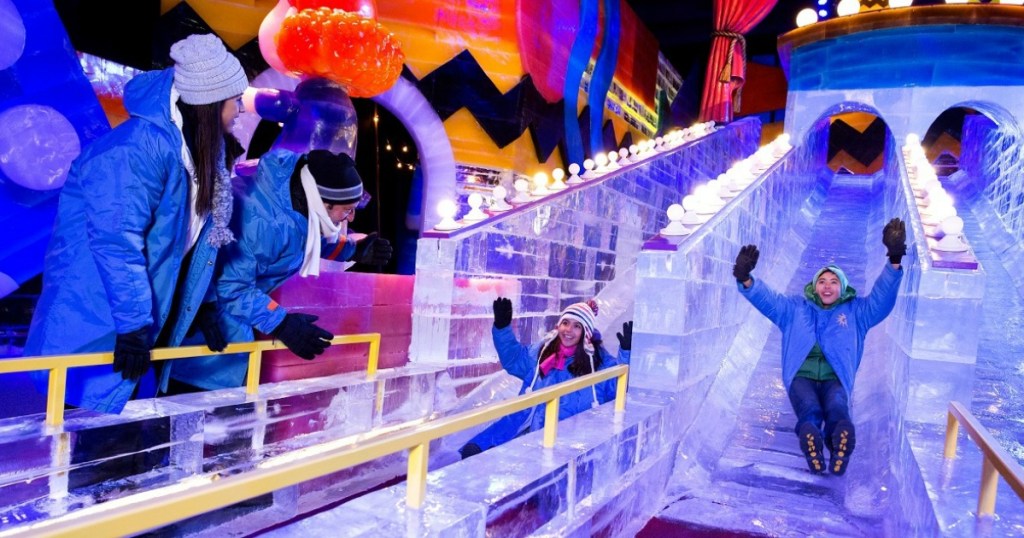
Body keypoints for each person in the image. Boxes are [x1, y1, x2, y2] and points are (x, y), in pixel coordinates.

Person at [23, 34, 249, 414]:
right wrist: (131, 327)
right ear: (209, 103)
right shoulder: (134, 149)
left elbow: (191, 247)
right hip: (97, 318)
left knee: (120, 440)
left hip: (137, 321)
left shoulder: (199, 158)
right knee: (89, 437)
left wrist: (205, 304)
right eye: (235, 99)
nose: (241, 109)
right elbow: (116, 243)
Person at [161, 148, 393, 393]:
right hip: (206, 309)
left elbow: (307, 235)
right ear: (323, 203)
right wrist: (282, 323)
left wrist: (353, 250)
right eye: (347, 210)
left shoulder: (297, 196)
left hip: (226, 304)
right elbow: (233, 288)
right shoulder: (262, 223)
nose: (352, 217)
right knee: (204, 389)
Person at [732, 218, 906, 475]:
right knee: (809, 408)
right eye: (822, 281)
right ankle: (811, 440)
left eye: (834, 282)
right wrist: (746, 278)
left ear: (843, 287)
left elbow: (882, 298)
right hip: (801, 375)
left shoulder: (857, 312)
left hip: (835, 377)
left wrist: (894, 258)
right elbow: (768, 300)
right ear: (814, 287)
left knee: (836, 406)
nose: (827, 285)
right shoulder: (795, 309)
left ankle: (839, 440)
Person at [460, 298, 632, 458]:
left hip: (561, 439)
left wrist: (627, 354)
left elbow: (616, 389)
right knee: (473, 453)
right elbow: (514, 360)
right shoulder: (543, 351)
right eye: (565, 323)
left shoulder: (598, 361)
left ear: (585, 332)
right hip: (521, 425)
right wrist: (502, 328)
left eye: (576, 326)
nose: (568, 330)